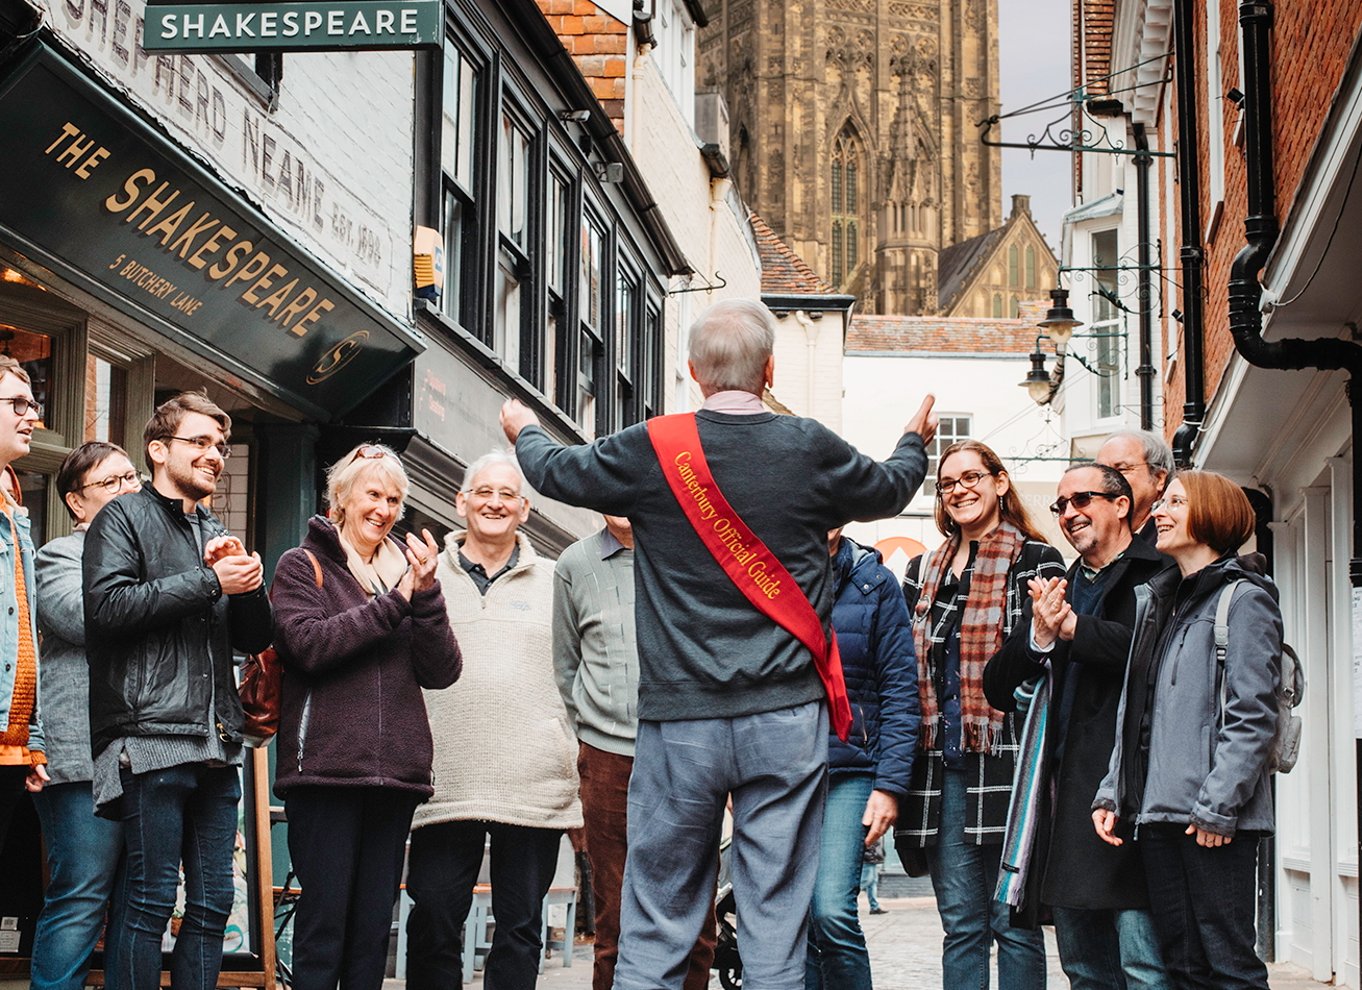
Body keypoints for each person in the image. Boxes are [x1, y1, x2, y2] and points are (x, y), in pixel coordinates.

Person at [501, 298, 936, 990]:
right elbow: (892, 486)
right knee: (775, 916)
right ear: (770, 368)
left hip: (681, 721)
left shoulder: (653, 446)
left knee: (657, 915)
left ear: (693, 373)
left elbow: (556, 472)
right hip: (786, 719)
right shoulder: (809, 445)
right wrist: (914, 437)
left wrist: (523, 428)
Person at [84, 391, 273, 990]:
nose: (215, 455)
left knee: (215, 901)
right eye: (199, 443)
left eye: (220, 446)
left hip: (217, 741)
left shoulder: (217, 529)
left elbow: (255, 638)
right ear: (158, 450)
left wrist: (247, 587)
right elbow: (108, 610)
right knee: (148, 899)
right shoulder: (122, 516)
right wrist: (209, 580)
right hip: (149, 736)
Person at [270, 443, 462, 990]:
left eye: (395, 499)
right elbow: (308, 646)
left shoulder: (410, 574)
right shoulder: (302, 566)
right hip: (326, 771)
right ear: (343, 498)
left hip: (396, 775)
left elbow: (442, 670)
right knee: (325, 924)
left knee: (373, 928)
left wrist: (426, 597)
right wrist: (396, 601)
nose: (384, 508)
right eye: (373, 494)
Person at [984, 463, 1172, 989]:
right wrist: (1041, 635)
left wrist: (1074, 629)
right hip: (1066, 799)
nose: (1069, 513)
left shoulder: (1161, 571)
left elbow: (1155, 658)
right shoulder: (1061, 585)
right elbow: (997, 684)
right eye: (1061, 505)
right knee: (1083, 969)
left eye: (1082, 499)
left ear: (1121, 504)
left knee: (1144, 968)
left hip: (1136, 796)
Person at [1094, 471, 1281, 990]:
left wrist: (1219, 807)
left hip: (1215, 820)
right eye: (1162, 502)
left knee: (1230, 969)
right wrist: (1113, 791)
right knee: (1182, 967)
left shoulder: (1244, 600)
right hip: (1157, 815)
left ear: (1212, 514)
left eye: (1176, 501)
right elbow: (1136, 711)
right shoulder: (1159, 602)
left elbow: (1253, 716)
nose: (1159, 511)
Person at [406, 451, 582, 990]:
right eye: (483, 491)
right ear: (460, 502)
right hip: (445, 779)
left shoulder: (558, 580)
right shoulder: (422, 575)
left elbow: (580, 668)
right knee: (434, 916)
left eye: (507, 495)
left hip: (533, 781)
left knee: (521, 927)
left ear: (525, 509)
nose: (494, 503)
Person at [895, 439, 1064, 990]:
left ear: (999, 482)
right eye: (948, 483)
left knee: (1012, 922)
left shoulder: (1038, 560)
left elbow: (1045, 657)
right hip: (942, 769)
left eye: (971, 477)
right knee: (961, 926)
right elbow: (905, 664)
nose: (960, 490)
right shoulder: (923, 571)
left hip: (1010, 760)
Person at [553, 515, 715, 990]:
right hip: (607, 760)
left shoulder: (692, 553)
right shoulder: (574, 564)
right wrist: (591, 735)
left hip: (684, 753)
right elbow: (566, 669)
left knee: (695, 925)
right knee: (616, 922)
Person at [30, 443, 140, 990]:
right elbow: (82, 618)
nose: (129, 489)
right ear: (77, 502)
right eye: (112, 482)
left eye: (132, 478)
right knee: (81, 894)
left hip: (148, 754)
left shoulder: (159, 559)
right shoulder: (58, 556)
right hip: (80, 757)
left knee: (139, 903)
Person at [806, 528, 919, 989]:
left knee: (831, 910)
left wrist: (889, 785)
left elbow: (899, 688)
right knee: (791, 922)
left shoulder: (875, 581)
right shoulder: (766, 568)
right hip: (778, 768)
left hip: (850, 769)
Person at [0, 355, 45, 859]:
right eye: (17, 403)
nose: (31, 416)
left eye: (32, 403)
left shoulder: (13, 507)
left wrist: (30, 743)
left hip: (9, 747)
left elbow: (22, 629)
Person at [1096, 431, 1173, 542]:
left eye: (1122, 469)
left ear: (1159, 478)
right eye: (1102, 472)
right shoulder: (1098, 544)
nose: (1107, 481)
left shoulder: (1176, 542)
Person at [860, 841, 885, 915]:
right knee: (865, 881)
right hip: (867, 859)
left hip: (873, 860)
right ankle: (845, 900)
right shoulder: (865, 831)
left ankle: (874, 907)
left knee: (872, 883)